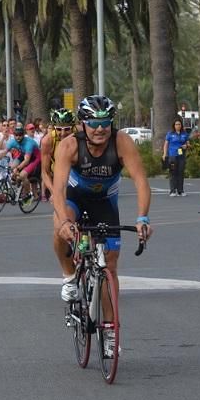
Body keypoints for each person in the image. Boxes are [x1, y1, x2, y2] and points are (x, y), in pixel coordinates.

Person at [51, 95, 153, 356]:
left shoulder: (122, 142)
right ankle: (70, 277)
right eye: (94, 123)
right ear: (83, 124)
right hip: (75, 198)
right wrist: (64, 222)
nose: (100, 129)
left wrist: (143, 218)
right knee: (59, 228)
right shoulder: (69, 145)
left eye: (105, 123)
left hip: (105, 201)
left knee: (110, 264)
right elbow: (59, 190)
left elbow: (141, 181)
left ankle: (110, 330)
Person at [40, 109, 76, 199]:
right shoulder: (47, 141)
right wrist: (54, 192)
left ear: (73, 127)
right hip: (58, 174)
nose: (63, 134)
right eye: (59, 129)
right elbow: (45, 172)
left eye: (67, 129)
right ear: (54, 128)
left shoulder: (80, 134)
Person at [162, 118, 190, 197]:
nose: (178, 126)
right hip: (172, 155)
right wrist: (164, 154)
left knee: (181, 173)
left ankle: (180, 190)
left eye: (179, 124)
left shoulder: (184, 134)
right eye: (176, 124)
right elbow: (166, 145)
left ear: (181, 125)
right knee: (173, 173)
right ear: (174, 126)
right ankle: (172, 190)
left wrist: (186, 146)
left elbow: (188, 144)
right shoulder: (170, 134)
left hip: (181, 156)